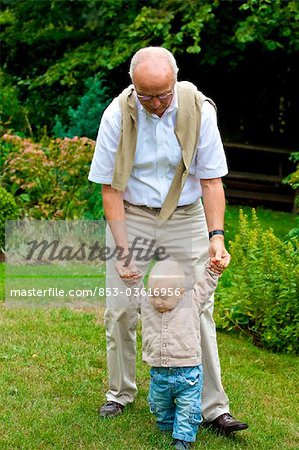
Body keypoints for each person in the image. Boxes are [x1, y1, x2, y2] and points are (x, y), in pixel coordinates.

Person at [88, 46, 248, 434]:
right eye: (147, 96)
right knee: (122, 308)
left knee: (199, 309)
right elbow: (110, 190)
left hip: (187, 214)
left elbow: (211, 181)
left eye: (163, 94)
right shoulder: (117, 114)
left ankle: (213, 407)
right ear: (133, 87)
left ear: (175, 81)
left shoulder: (199, 109)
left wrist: (217, 237)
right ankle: (120, 393)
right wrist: (124, 252)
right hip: (135, 213)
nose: (157, 104)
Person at [123, 258, 221, 450]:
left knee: (188, 407)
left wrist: (213, 270)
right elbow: (135, 294)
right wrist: (131, 280)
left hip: (188, 374)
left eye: (164, 296)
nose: (158, 301)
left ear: (180, 293)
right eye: (154, 294)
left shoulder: (192, 301)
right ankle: (167, 425)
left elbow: (206, 286)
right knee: (160, 404)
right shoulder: (147, 304)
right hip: (159, 374)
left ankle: (183, 438)